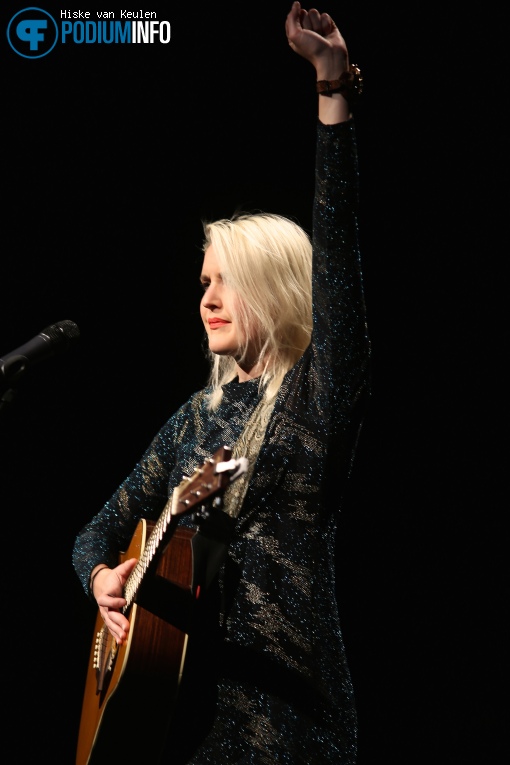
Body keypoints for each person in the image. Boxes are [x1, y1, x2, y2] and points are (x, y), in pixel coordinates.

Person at [72, 3, 370, 763]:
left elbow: (337, 257)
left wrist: (331, 94)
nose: (204, 298)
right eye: (202, 281)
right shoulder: (191, 419)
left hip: (289, 715)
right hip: (181, 716)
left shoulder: (315, 398)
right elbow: (93, 534)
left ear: (273, 288)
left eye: (225, 282)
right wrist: (103, 576)